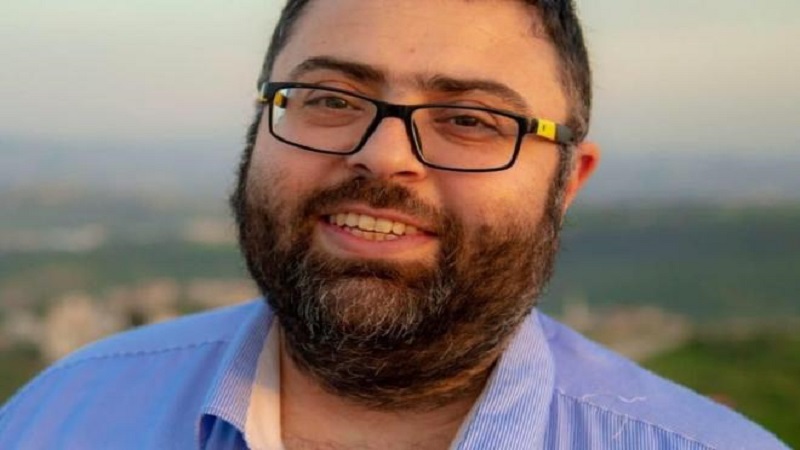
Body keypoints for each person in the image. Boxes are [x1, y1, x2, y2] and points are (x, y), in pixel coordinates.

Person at [0, 1, 788, 449]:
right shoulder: (61, 417)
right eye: (329, 99)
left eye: (470, 119)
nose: (382, 156)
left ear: (567, 182)